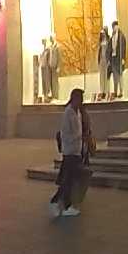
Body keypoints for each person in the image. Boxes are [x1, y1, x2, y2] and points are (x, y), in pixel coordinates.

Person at [50, 89, 85, 217]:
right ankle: (57, 202)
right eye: (80, 99)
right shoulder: (68, 113)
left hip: (76, 151)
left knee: (69, 179)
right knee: (68, 180)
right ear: (74, 99)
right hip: (70, 151)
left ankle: (65, 204)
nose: (81, 102)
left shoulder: (78, 112)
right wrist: (79, 137)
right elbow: (65, 134)